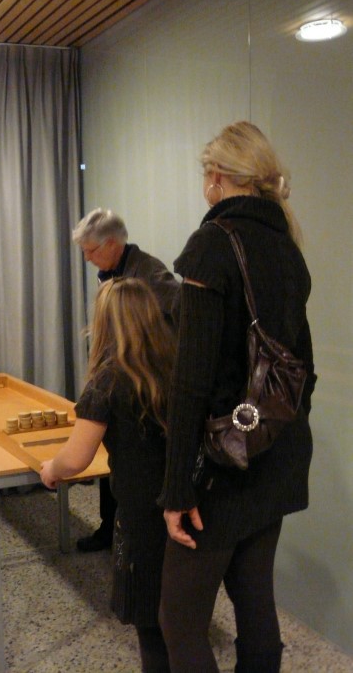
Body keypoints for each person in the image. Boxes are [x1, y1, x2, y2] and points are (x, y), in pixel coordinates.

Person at [157, 121, 317, 672]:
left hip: (222, 466)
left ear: (217, 176)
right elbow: (304, 369)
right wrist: (272, 431)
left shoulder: (212, 245)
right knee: (254, 602)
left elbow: (190, 382)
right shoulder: (288, 247)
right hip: (277, 454)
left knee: (179, 621)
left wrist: (177, 488)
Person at [41, 277, 175, 672]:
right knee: (180, 618)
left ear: (106, 323)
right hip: (184, 503)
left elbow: (76, 459)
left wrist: (51, 469)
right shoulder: (175, 370)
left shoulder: (109, 379)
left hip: (141, 513)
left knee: (150, 623)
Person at [72, 208, 180, 552]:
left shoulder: (151, 274)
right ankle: (110, 528)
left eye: (91, 251)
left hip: (141, 384)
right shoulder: (111, 270)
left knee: (135, 468)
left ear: (112, 244)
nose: (87, 258)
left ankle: (132, 539)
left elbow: (181, 320)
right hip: (122, 375)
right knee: (113, 459)